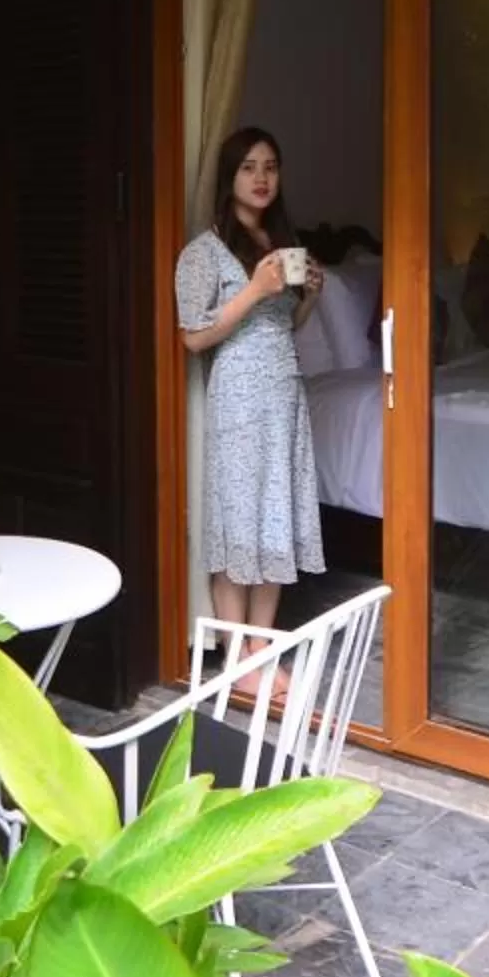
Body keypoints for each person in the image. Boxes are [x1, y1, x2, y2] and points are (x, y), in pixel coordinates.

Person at [174, 126, 327, 710]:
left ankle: (263, 651)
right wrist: (255, 290)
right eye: (248, 168)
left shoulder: (281, 242)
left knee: (274, 522)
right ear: (229, 178)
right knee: (239, 525)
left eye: (270, 166)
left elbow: (286, 327)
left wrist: (309, 293)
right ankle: (237, 659)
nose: (262, 178)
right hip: (238, 399)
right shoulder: (204, 252)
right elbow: (193, 338)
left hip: (285, 396)